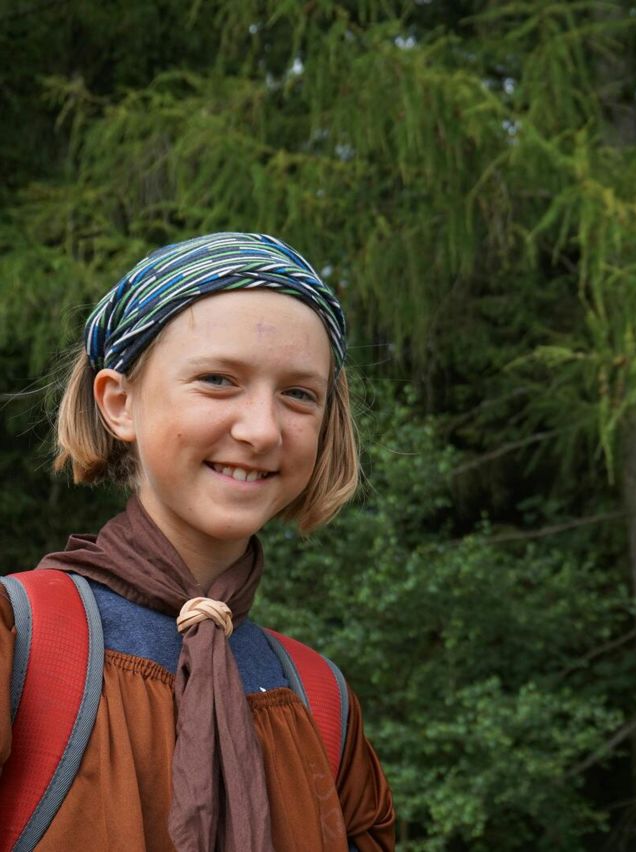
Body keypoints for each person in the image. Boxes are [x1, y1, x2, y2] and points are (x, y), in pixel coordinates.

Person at [0, 232, 395, 851]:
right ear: (119, 403)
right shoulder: (23, 642)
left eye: (299, 394)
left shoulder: (321, 701)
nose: (262, 431)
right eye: (217, 380)